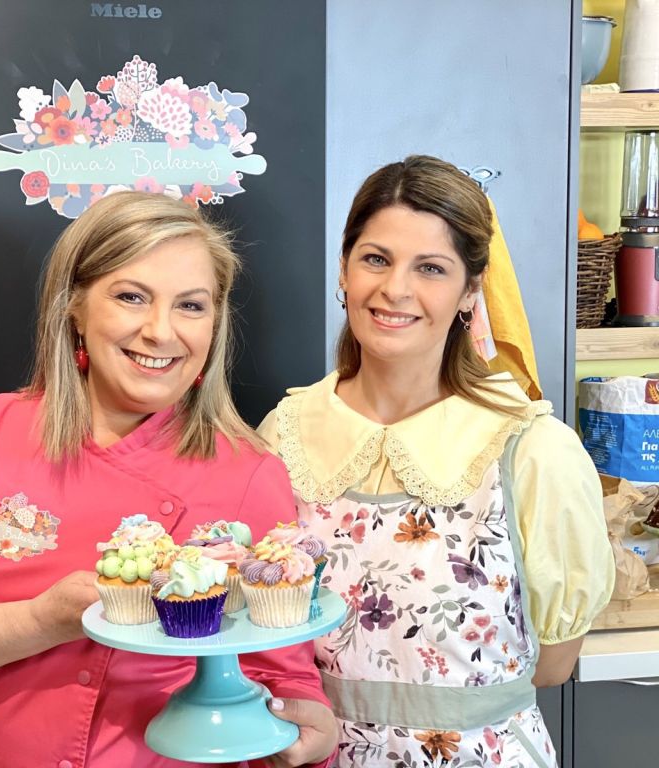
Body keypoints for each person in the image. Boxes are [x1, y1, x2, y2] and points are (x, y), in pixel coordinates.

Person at [0, 190, 337, 768]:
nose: (161, 331)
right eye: (131, 297)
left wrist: (305, 734)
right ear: (75, 306)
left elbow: (281, 673)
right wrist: (41, 621)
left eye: (191, 306)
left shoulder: (249, 472)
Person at [258, 156, 615, 767]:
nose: (395, 289)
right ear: (344, 268)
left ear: (471, 290)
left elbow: (554, 665)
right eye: (376, 259)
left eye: (430, 268)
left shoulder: (531, 449)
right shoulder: (284, 435)